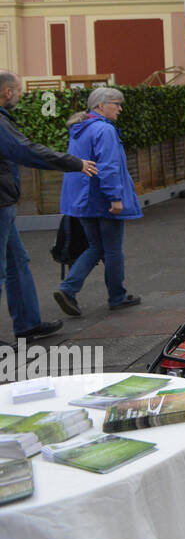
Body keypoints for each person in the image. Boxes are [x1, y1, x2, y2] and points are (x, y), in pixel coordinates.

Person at [0, 72, 97, 340]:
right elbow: (26, 151)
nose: (19, 96)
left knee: (17, 262)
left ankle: (28, 325)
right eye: (18, 91)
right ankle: (27, 324)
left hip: (4, 202)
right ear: (8, 92)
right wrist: (74, 163)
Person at [53, 88, 142, 315]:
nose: (120, 109)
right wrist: (115, 198)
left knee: (95, 246)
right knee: (112, 249)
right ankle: (117, 297)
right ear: (101, 106)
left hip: (81, 199)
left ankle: (68, 289)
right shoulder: (104, 130)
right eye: (116, 104)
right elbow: (109, 166)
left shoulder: (79, 129)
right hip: (101, 198)